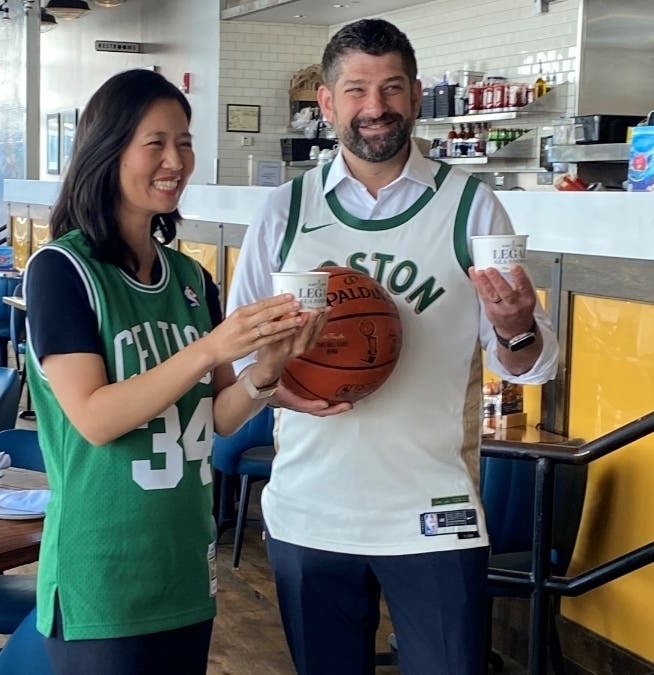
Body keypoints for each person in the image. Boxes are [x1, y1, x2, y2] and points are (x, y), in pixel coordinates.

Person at [227, 19, 559, 675]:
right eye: (355, 90)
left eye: (391, 88)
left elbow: (526, 362)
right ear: (327, 103)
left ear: (414, 95)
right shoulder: (284, 211)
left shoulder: (472, 207)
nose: (374, 107)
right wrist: (284, 383)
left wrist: (519, 325)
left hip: (434, 510)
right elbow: (243, 354)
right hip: (310, 508)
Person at [23, 69, 325, 675]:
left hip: (185, 565)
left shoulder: (191, 280)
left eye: (184, 142)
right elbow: (95, 418)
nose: (175, 160)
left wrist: (266, 371)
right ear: (108, 151)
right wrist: (210, 349)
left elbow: (213, 418)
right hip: (101, 573)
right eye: (155, 143)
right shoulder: (61, 271)